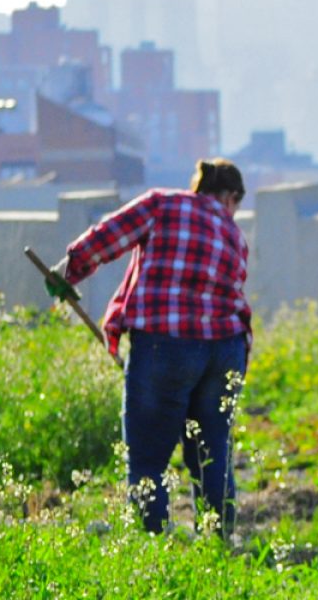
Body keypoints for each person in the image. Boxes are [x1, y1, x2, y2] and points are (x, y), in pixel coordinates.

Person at [45, 159, 252, 536]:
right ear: (230, 196)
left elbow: (110, 236)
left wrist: (67, 270)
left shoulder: (164, 204)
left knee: (147, 459)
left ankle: (152, 546)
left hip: (165, 345)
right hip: (226, 349)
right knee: (212, 454)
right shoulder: (234, 234)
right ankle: (220, 545)